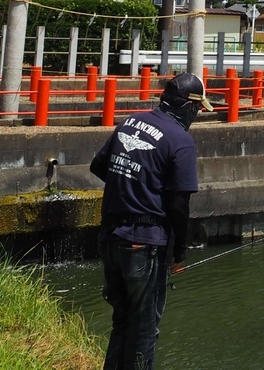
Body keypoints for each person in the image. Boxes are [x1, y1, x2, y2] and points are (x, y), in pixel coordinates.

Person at [90, 72, 211, 370]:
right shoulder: (180, 141)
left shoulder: (132, 121)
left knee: (122, 321)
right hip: (144, 244)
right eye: (197, 109)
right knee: (144, 329)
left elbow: (98, 165)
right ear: (187, 106)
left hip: (112, 238)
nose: (196, 115)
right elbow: (179, 205)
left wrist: (133, 188)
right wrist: (179, 251)